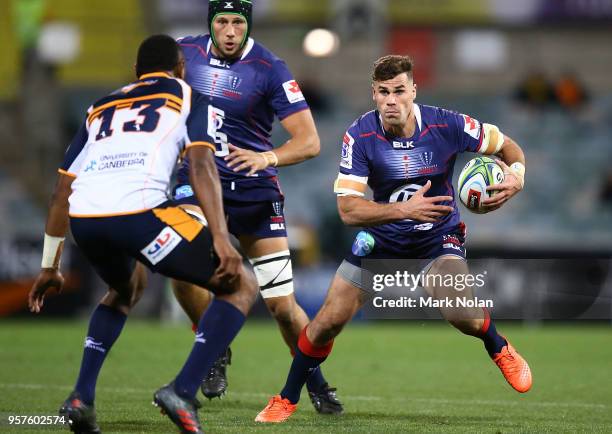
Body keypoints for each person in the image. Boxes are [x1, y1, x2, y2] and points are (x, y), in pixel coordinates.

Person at [254, 55, 532, 423]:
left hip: (438, 237)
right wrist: (404, 211)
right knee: (326, 322)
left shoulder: (448, 124)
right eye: (383, 92)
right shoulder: (360, 135)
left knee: (460, 310)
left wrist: (516, 176)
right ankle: (286, 398)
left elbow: (508, 146)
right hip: (381, 240)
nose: (391, 100)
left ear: (413, 91)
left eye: (399, 91)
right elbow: (348, 210)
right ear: (374, 94)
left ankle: (499, 347)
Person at [27, 34, 258, 434]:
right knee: (241, 285)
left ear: (136, 73)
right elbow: (202, 165)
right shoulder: (188, 95)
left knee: (125, 287)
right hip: (140, 214)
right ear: (181, 69)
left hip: (87, 221)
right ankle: (183, 391)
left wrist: (50, 265)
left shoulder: (98, 107)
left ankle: (81, 398)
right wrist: (220, 237)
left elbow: (61, 191)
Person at [171, 0, 342, 413]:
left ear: (248, 25)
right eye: (222, 22)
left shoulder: (269, 68)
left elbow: (310, 141)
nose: (230, 31)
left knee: (282, 306)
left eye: (238, 23)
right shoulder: (182, 54)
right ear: (210, 23)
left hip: (252, 192)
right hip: (195, 180)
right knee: (181, 260)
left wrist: (266, 158)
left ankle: (314, 381)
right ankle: (212, 348)